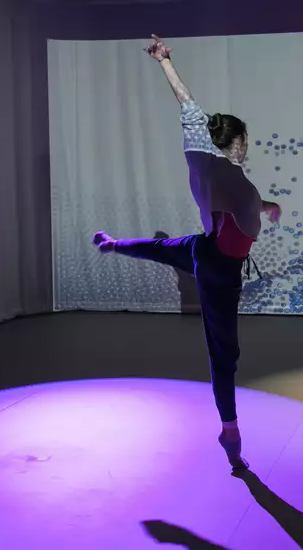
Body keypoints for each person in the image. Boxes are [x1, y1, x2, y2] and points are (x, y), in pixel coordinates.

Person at [92, 34, 282, 470]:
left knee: (166, 249)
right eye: (246, 138)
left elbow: (188, 105)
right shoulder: (242, 186)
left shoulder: (200, 156)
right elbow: (243, 220)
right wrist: (265, 208)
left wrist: (164, 61)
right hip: (219, 269)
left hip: (202, 248)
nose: (248, 142)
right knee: (223, 352)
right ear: (238, 143)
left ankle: (113, 243)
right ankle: (229, 426)